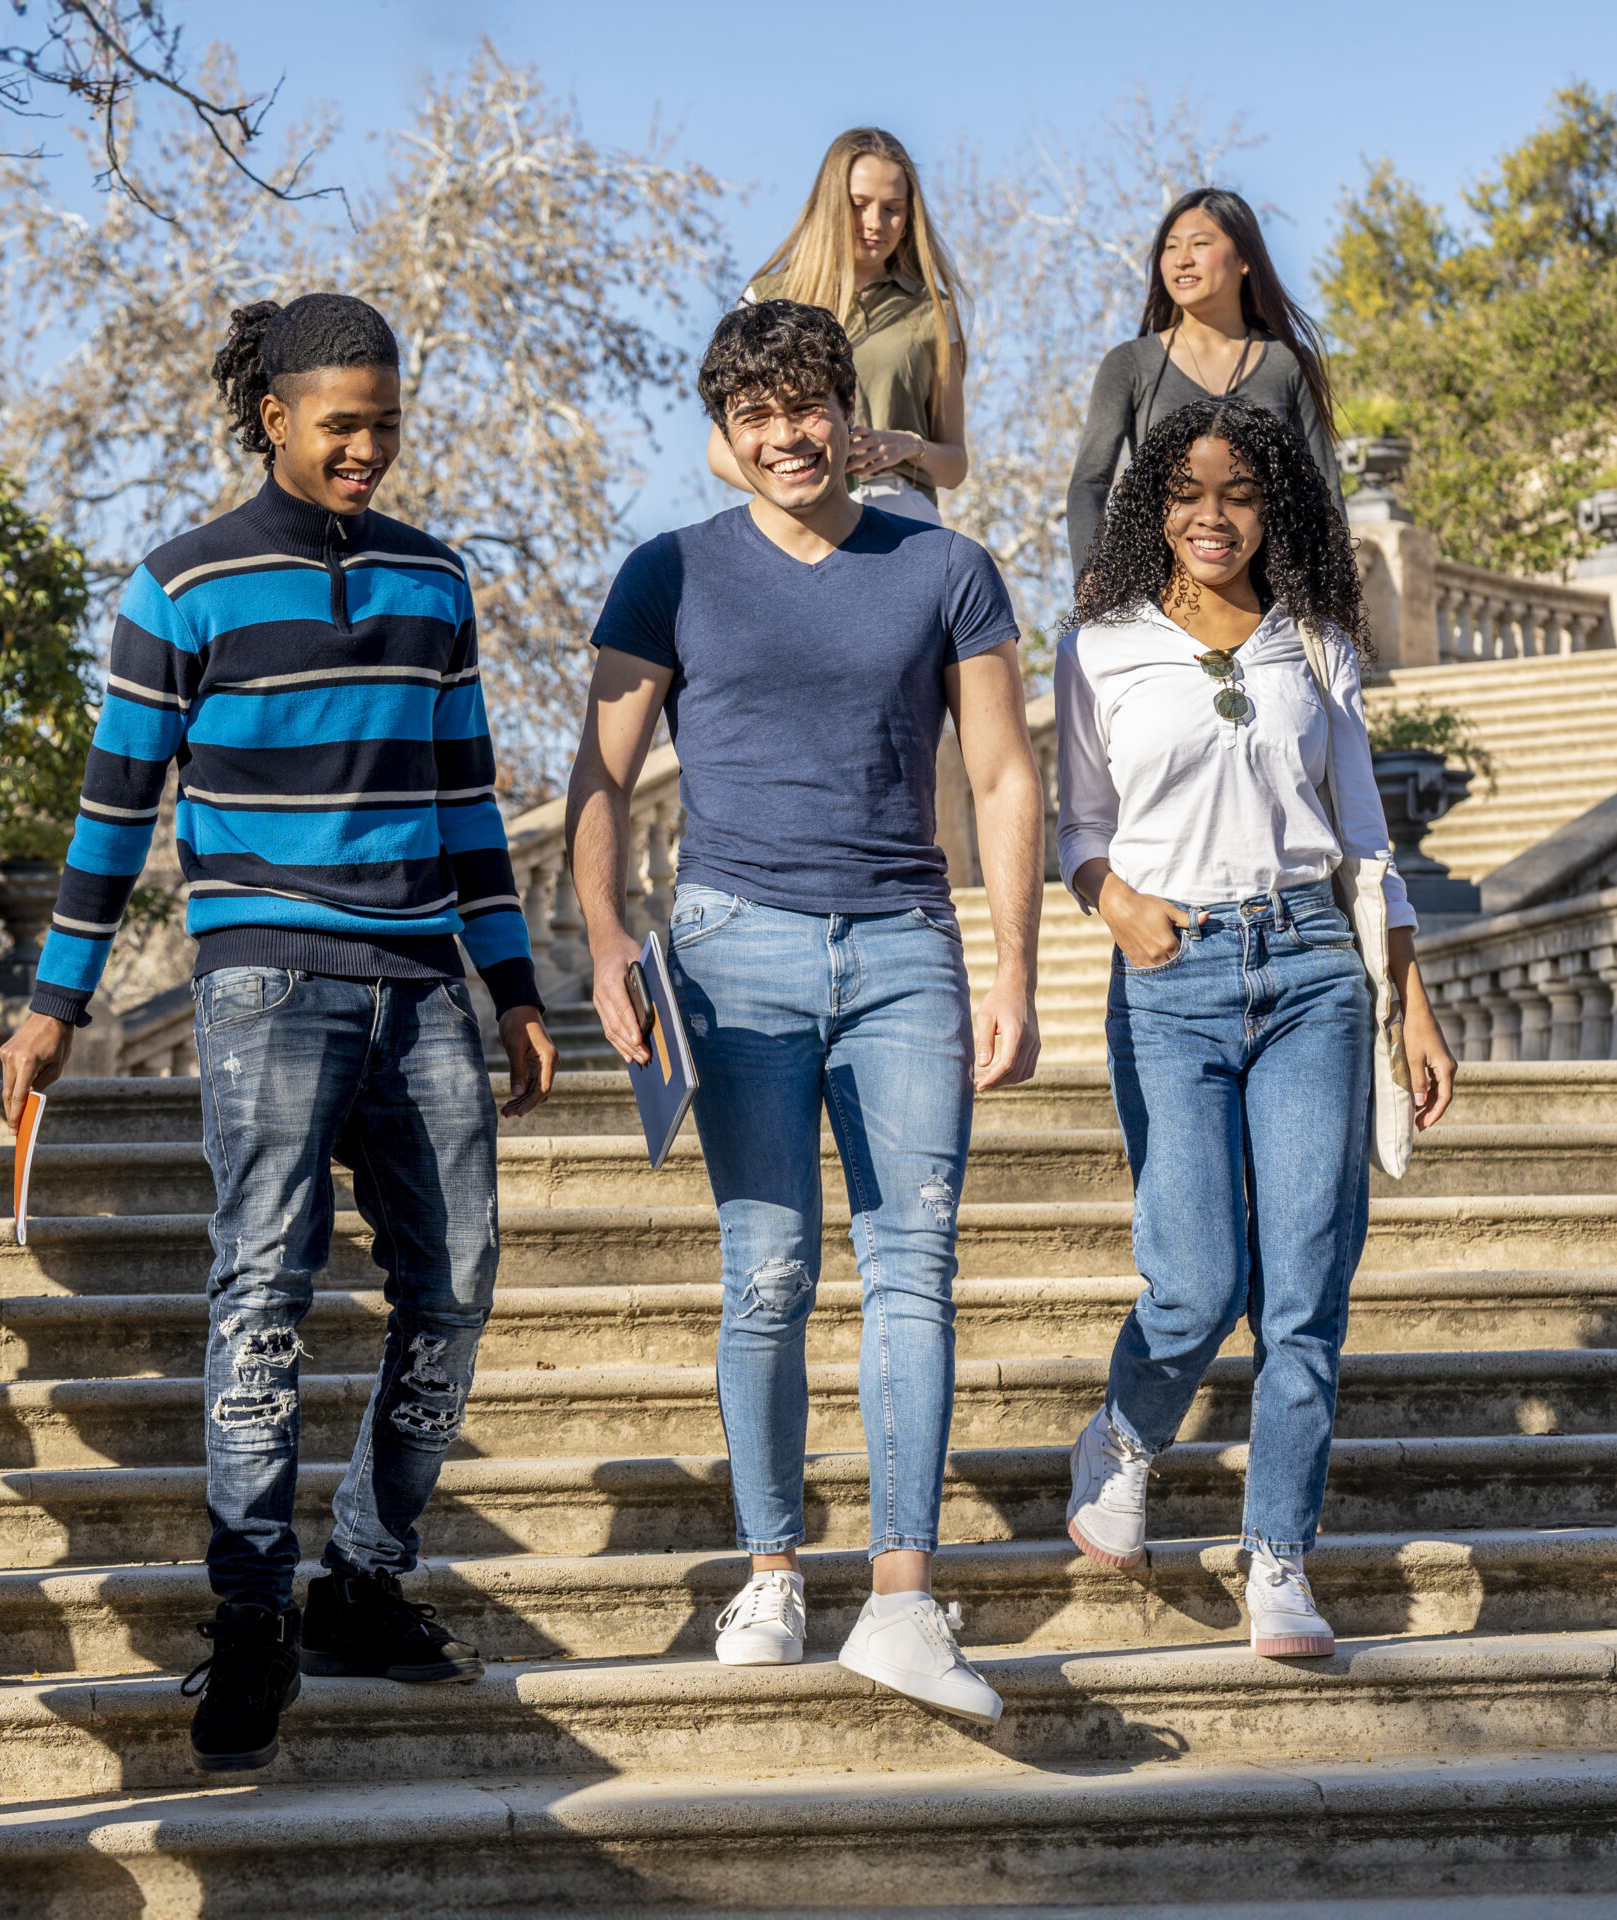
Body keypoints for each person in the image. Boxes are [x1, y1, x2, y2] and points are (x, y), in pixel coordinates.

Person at [0, 294, 557, 1775]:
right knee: (264, 1291)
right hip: (265, 989)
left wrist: (510, 983)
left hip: (425, 982)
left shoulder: (436, 584)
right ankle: (249, 1615)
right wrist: (57, 1003)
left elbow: (469, 804)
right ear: (275, 419)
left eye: (387, 424)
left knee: (459, 1284)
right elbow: (116, 814)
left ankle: (362, 1580)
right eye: (341, 425)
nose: (368, 448)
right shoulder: (178, 587)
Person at [570, 298, 1043, 1724]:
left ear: (850, 409)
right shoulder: (668, 574)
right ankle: (773, 1569)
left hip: (905, 946)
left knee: (915, 1270)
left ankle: (904, 1600)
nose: (786, 437)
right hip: (732, 951)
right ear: (724, 437)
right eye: (754, 418)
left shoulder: (946, 568)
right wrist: (601, 938)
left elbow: (1008, 778)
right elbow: (596, 778)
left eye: (806, 408)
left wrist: (1013, 965)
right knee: (766, 1270)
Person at [1054, 396, 1457, 1659]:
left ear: (1271, 505)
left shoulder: (1316, 640)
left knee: (1303, 1294)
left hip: (1311, 971)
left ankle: (1277, 1556)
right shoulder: (1099, 646)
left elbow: (1364, 842)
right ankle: (1121, 1440)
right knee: (1195, 1281)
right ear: (1151, 509)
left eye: (1237, 492)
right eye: (1186, 492)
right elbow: (1076, 829)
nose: (1212, 515)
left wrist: (1417, 1004)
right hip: (1169, 976)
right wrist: (1117, 905)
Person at [1065, 187, 1342, 587]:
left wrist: (1333, 598)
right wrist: (1094, 579)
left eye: (1200, 243)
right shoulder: (1130, 364)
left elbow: (1322, 491)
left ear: (1245, 259)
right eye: (1171, 246)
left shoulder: (1288, 362)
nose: (1182, 259)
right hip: (1160, 595)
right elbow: (1088, 485)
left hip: (1270, 598)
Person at [705, 127, 970, 526]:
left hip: (896, 514)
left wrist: (908, 446)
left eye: (892, 208)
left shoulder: (933, 310)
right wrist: (798, 486)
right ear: (830, 203)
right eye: (858, 204)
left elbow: (955, 464)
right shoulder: (765, 297)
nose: (874, 223)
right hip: (792, 515)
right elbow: (720, 452)